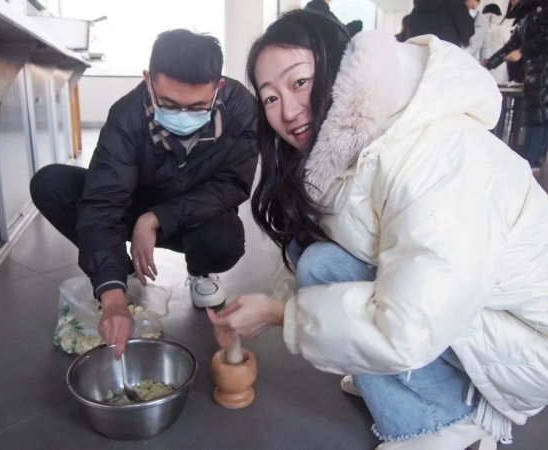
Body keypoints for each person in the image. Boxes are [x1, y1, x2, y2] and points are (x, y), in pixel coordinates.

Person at [208, 10, 548, 450]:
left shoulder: (433, 150)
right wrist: (282, 302)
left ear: (339, 67)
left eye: (300, 82)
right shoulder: (357, 139)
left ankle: (446, 419)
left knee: (323, 267)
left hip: (527, 344)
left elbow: (414, 321)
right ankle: (400, 382)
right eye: (270, 98)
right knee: (314, 255)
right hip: (471, 312)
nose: (288, 111)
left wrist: (282, 315)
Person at [30, 29, 258, 359]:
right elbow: (104, 201)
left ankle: (201, 271)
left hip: (195, 217)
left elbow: (233, 183)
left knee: (224, 240)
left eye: (197, 106)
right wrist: (112, 298)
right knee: (51, 184)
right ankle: (118, 276)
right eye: (168, 104)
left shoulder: (241, 110)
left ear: (218, 87)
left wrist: (156, 219)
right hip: (132, 205)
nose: (182, 117)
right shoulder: (127, 116)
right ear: (148, 80)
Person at [486, 0, 548, 171]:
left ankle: (530, 165)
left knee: (538, 119)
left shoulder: (541, 8)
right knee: (538, 117)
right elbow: (513, 44)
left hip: (543, 72)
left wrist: (522, 52)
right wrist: (490, 63)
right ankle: (532, 165)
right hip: (534, 73)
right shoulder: (525, 14)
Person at [408, 0, 475, 47]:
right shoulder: (454, 2)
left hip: (419, 54)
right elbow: (467, 30)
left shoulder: (416, 8)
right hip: (446, 53)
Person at [482, 3, 510, 84]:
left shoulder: (478, 24)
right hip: (499, 65)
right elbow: (510, 45)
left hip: (481, 64)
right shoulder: (503, 27)